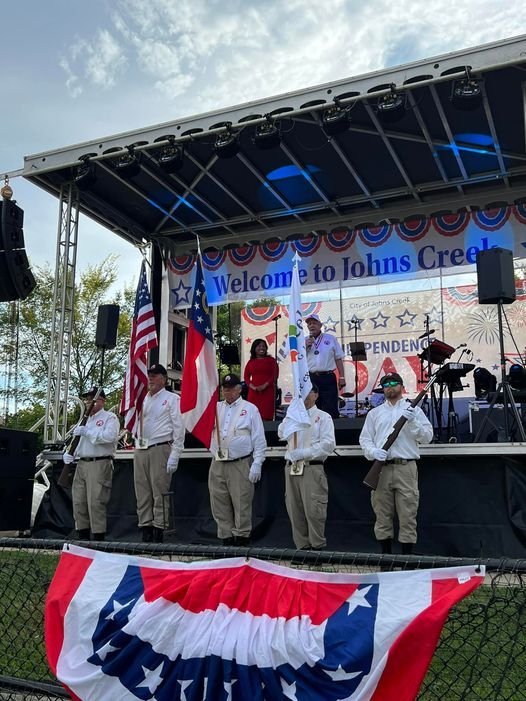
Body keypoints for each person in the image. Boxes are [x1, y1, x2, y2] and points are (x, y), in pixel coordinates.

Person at [359, 372, 433, 555]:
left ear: (402, 387)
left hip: (405, 467)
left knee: (408, 515)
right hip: (381, 469)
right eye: (386, 384)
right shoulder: (374, 413)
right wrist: (373, 452)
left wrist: (413, 420)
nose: (390, 386)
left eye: (394, 383)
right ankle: (386, 560)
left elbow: (427, 437)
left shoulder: (414, 410)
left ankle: (406, 560)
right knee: (382, 515)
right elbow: (365, 439)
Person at [209, 374, 267, 546]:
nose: (227, 391)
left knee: (242, 502)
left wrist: (257, 463)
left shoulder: (250, 409)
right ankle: (225, 538)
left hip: (240, 462)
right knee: (219, 501)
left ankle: (242, 539)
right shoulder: (215, 408)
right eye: (225, 388)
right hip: (218, 462)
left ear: (239, 389)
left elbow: (259, 438)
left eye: (231, 387)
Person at [278, 384, 336, 550]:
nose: (304, 396)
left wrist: (304, 453)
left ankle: (317, 548)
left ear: (316, 395)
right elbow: (281, 433)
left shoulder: (323, 417)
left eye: (309, 392)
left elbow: (328, 445)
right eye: (301, 393)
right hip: (291, 467)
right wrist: (291, 416)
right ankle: (302, 549)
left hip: (311, 467)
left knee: (314, 510)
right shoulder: (292, 417)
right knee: (295, 511)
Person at [133, 363, 185, 543]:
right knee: (142, 491)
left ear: (164, 379)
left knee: (158, 490)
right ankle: (145, 527)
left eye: (155, 376)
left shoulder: (172, 399)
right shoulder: (142, 399)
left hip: (160, 447)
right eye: (150, 375)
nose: (151, 379)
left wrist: (175, 453)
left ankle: (158, 529)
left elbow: (179, 427)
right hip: (141, 448)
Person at [63, 387, 119, 541]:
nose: (88, 403)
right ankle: (82, 537)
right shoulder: (84, 420)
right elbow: (77, 443)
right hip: (82, 463)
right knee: (79, 502)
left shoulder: (110, 417)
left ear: (101, 401)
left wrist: (88, 432)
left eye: (91, 399)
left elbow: (110, 437)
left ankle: (98, 538)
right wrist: (69, 454)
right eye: (87, 400)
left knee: (96, 502)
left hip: (99, 463)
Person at [305, 313, 346, 419]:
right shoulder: (304, 340)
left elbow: (338, 358)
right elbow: (299, 361)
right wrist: (305, 347)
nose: (312, 325)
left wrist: (341, 377)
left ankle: (331, 432)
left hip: (327, 377)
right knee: (313, 407)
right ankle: (314, 433)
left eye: (314, 323)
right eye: (309, 324)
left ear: (320, 325)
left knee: (330, 407)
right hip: (312, 377)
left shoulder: (331, 338)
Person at [243, 338, 279, 420]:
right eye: (259, 346)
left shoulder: (271, 360)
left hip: (268, 392)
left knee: (266, 416)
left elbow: (275, 375)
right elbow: (246, 377)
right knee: (252, 415)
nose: (261, 348)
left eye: (263, 346)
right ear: (254, 348)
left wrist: (265, 385)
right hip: (253, 393)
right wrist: (252, 387)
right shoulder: (251, 362)